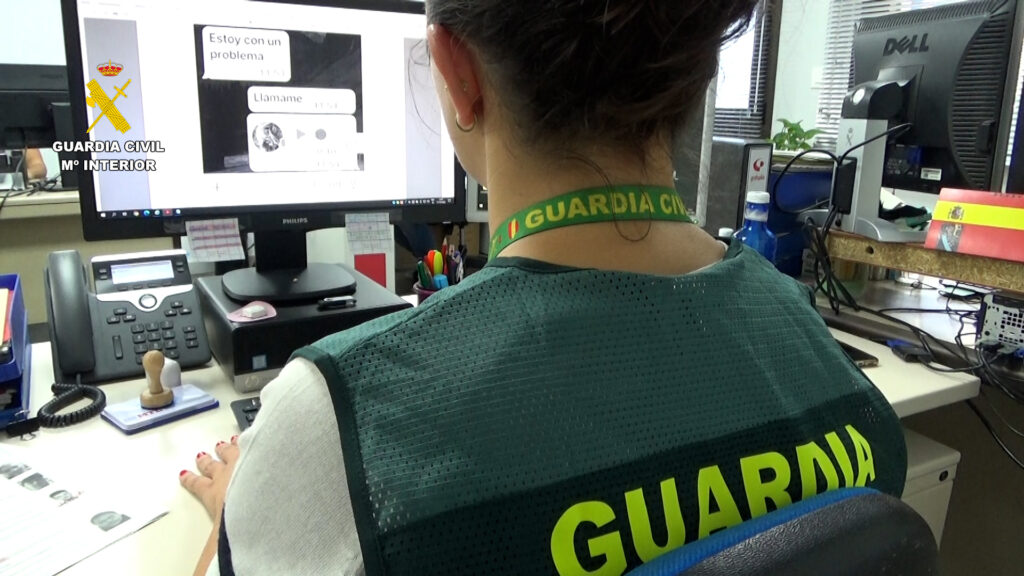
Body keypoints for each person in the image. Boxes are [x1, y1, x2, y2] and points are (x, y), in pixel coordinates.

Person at [181, 1, 907, 574]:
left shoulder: (339, 423)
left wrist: (237, 516)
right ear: (693, 71)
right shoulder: (819, 353)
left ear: (457, 74)